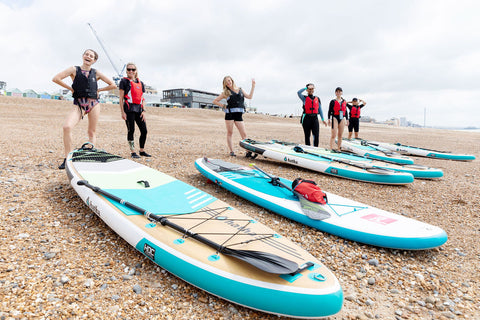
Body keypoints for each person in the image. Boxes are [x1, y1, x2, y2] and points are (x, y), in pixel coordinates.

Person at [52, 49, 117, 169]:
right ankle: (68, 159)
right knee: (67, 127)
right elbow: (56, 78)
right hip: (79, 104)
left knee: (91, 131)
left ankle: (90, 157)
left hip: (94, 104)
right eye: (86, 54)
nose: (88, 57)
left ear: (94, 60)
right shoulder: (74, 69)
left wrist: (99, 90)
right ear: (83, 56)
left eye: (91, 56)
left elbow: (113, 84)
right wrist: (71, 89)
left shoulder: (96, 72)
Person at [213, 76, 255, 156]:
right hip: (229, 114)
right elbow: (215, 101)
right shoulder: (225, 93)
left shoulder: (240, 89)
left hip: (239, 115)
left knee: (244, 134)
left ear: (232, 80)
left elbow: (250, 97)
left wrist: (253, 86)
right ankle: (232, 152)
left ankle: (247, 152)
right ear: (225, 84)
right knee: (230, 133)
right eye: (226, 82)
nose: (228, 82)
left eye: (229, 80)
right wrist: (223, 106)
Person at [119, 63, 151, 158]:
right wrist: (122, 112)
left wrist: (143, 111)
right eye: (129, 69)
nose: (131, 71)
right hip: (129, 109)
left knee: (144, 131)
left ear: (136, 70)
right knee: (131, 130)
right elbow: (121, 98)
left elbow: (142, 98)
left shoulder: (140, 83)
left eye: (133, 69)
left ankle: (142, 150)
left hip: (139, 110)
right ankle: (133, 152)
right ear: (126, 71)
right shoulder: (123, 82)